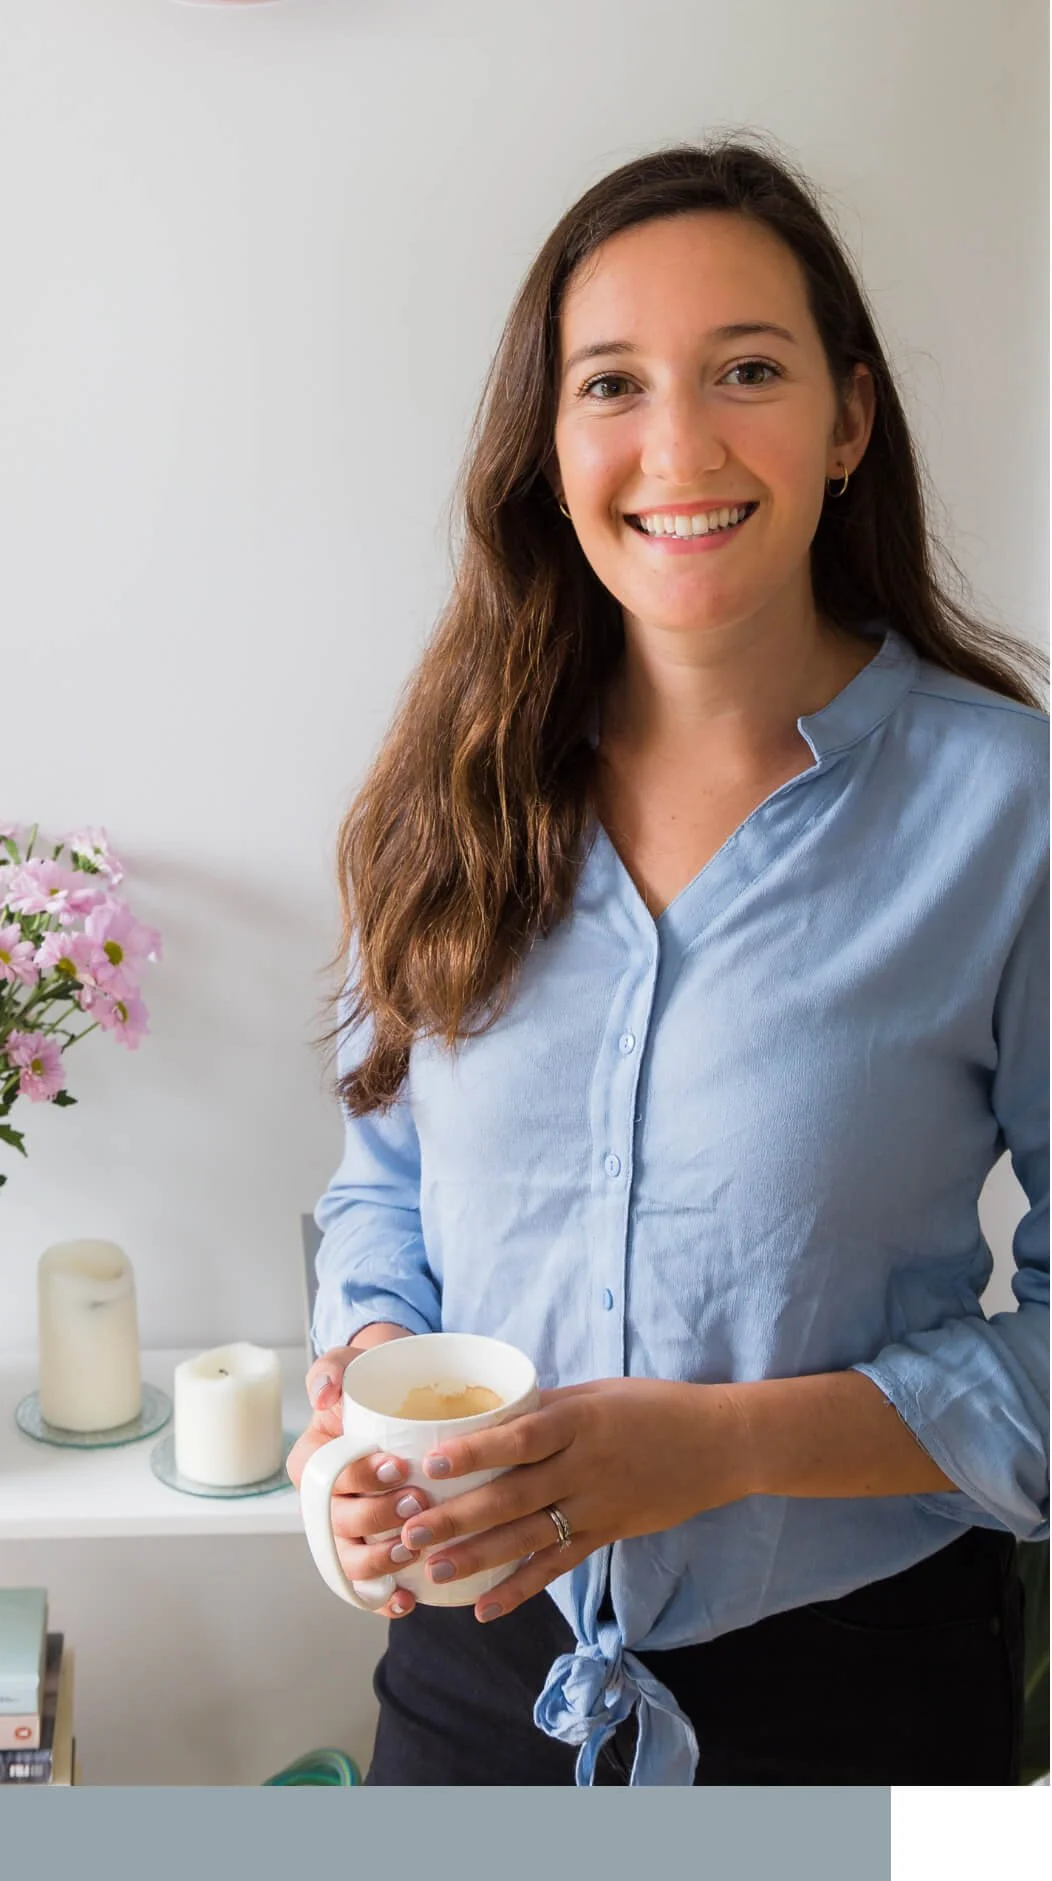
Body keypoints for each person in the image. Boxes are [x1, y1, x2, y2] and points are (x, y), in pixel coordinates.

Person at [285, 134, 1048, 1787]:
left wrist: (711, 1452)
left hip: (866, 1696)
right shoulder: (451, 792)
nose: (678, 446)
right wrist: (345, 1440)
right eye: (612, 384)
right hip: (468, 1677)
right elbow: (383, 1196)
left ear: (850, 418)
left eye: (748, 371)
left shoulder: (1012, 815)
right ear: (549, 446)